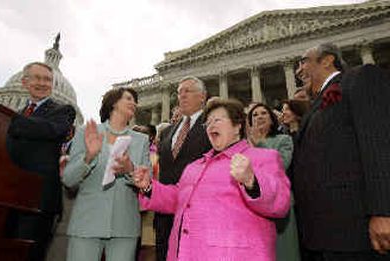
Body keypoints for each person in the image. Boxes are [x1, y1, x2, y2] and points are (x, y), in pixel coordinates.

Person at [133, 98, 290, 260]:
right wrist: (148, 187)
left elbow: (280, 203)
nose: (211, 125)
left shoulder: (262, 157)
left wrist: (252, 182)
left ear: (238, 126)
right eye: (207, 123)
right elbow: (177, 198)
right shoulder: (194, 166)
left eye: (217, 120)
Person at [293, 42, 390, 260]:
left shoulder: (359, 79)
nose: (298, 70)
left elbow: (379, 142)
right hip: (322, 235)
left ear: (327, 60)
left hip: (357, 232)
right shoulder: (315, 105)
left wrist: (384, 210)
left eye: (303, 62)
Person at [61, 87, 150, 261]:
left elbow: (147, 184)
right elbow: (69, 179)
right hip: (86, 223)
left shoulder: (141, 140)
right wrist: (89, 156)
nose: (134, 103)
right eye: (129, 98)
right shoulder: (86, 132)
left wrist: (130, 169)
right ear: (113, 103)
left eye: (135, 100)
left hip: (124, 226)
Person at [6, 61, 76, 261]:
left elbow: (52, 130)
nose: (43, 83)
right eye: (37, 78)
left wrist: (14, 123)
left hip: (40, 198)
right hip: (7, 194)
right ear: (24, 82)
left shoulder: (63, 111)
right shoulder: (15, 116)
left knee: (31, 254)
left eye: (47, 79)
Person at [154, 76, 212, 261]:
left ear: (202, 97)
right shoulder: (168, 132)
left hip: (197, 212)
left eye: (187, 91)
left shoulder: (212, 126)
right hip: (166, 214)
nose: (182, 96)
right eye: (179, 92)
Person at [247, 102, 300, 261]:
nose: (259, 117)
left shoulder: (283, 140)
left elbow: (281, 165)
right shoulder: (244, 146)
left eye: (264, 113)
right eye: (255, 115)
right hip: (252, 208)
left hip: (279, 206)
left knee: (283, 253)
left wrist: (260, 144)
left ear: (272, 119)